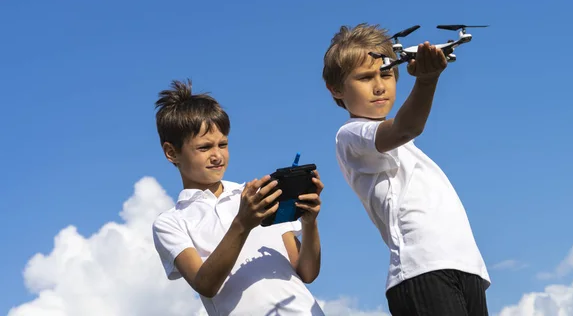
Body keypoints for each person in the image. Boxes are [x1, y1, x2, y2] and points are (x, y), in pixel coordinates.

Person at [322, 24, 490, 315]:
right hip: (422, 271)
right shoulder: (351, 135)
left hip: (465, 267)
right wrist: (427, 81)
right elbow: (406, 127)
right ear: (336, 89)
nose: (379, 85)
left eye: (386, 73)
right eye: (364, 77)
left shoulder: (407, 149)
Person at [151, 79, 325, 315]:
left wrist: (309, 222)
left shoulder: (257, 195)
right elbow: (205, 284)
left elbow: (308, 273)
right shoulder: (171, 222)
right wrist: (242, 223)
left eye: (223, 144)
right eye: (204, 148)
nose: (217, 155)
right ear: (172, 152)